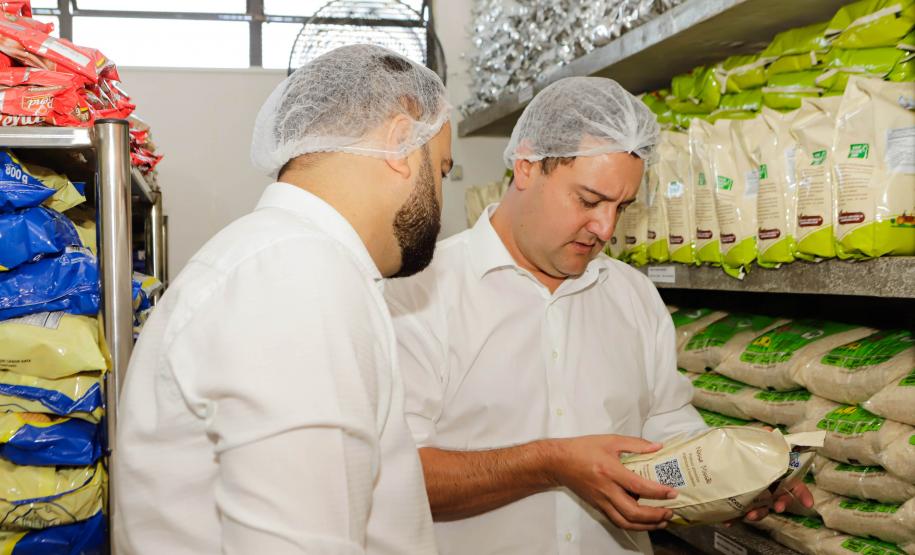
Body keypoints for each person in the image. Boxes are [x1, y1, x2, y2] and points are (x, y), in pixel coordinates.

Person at [383, 76, 812, 555]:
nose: (604, 227)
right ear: (526, 167)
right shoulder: (419, 294)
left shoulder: (631, 294)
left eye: (621, 207)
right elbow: (394, 477)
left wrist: (739, 474)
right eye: (588, 200)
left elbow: (666, 429)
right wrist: (550, 463)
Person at [113, 44, 453, 555]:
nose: (443, 197)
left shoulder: (289, 260)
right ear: (402, 143)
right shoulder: (301, 273)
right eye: (443, 170)